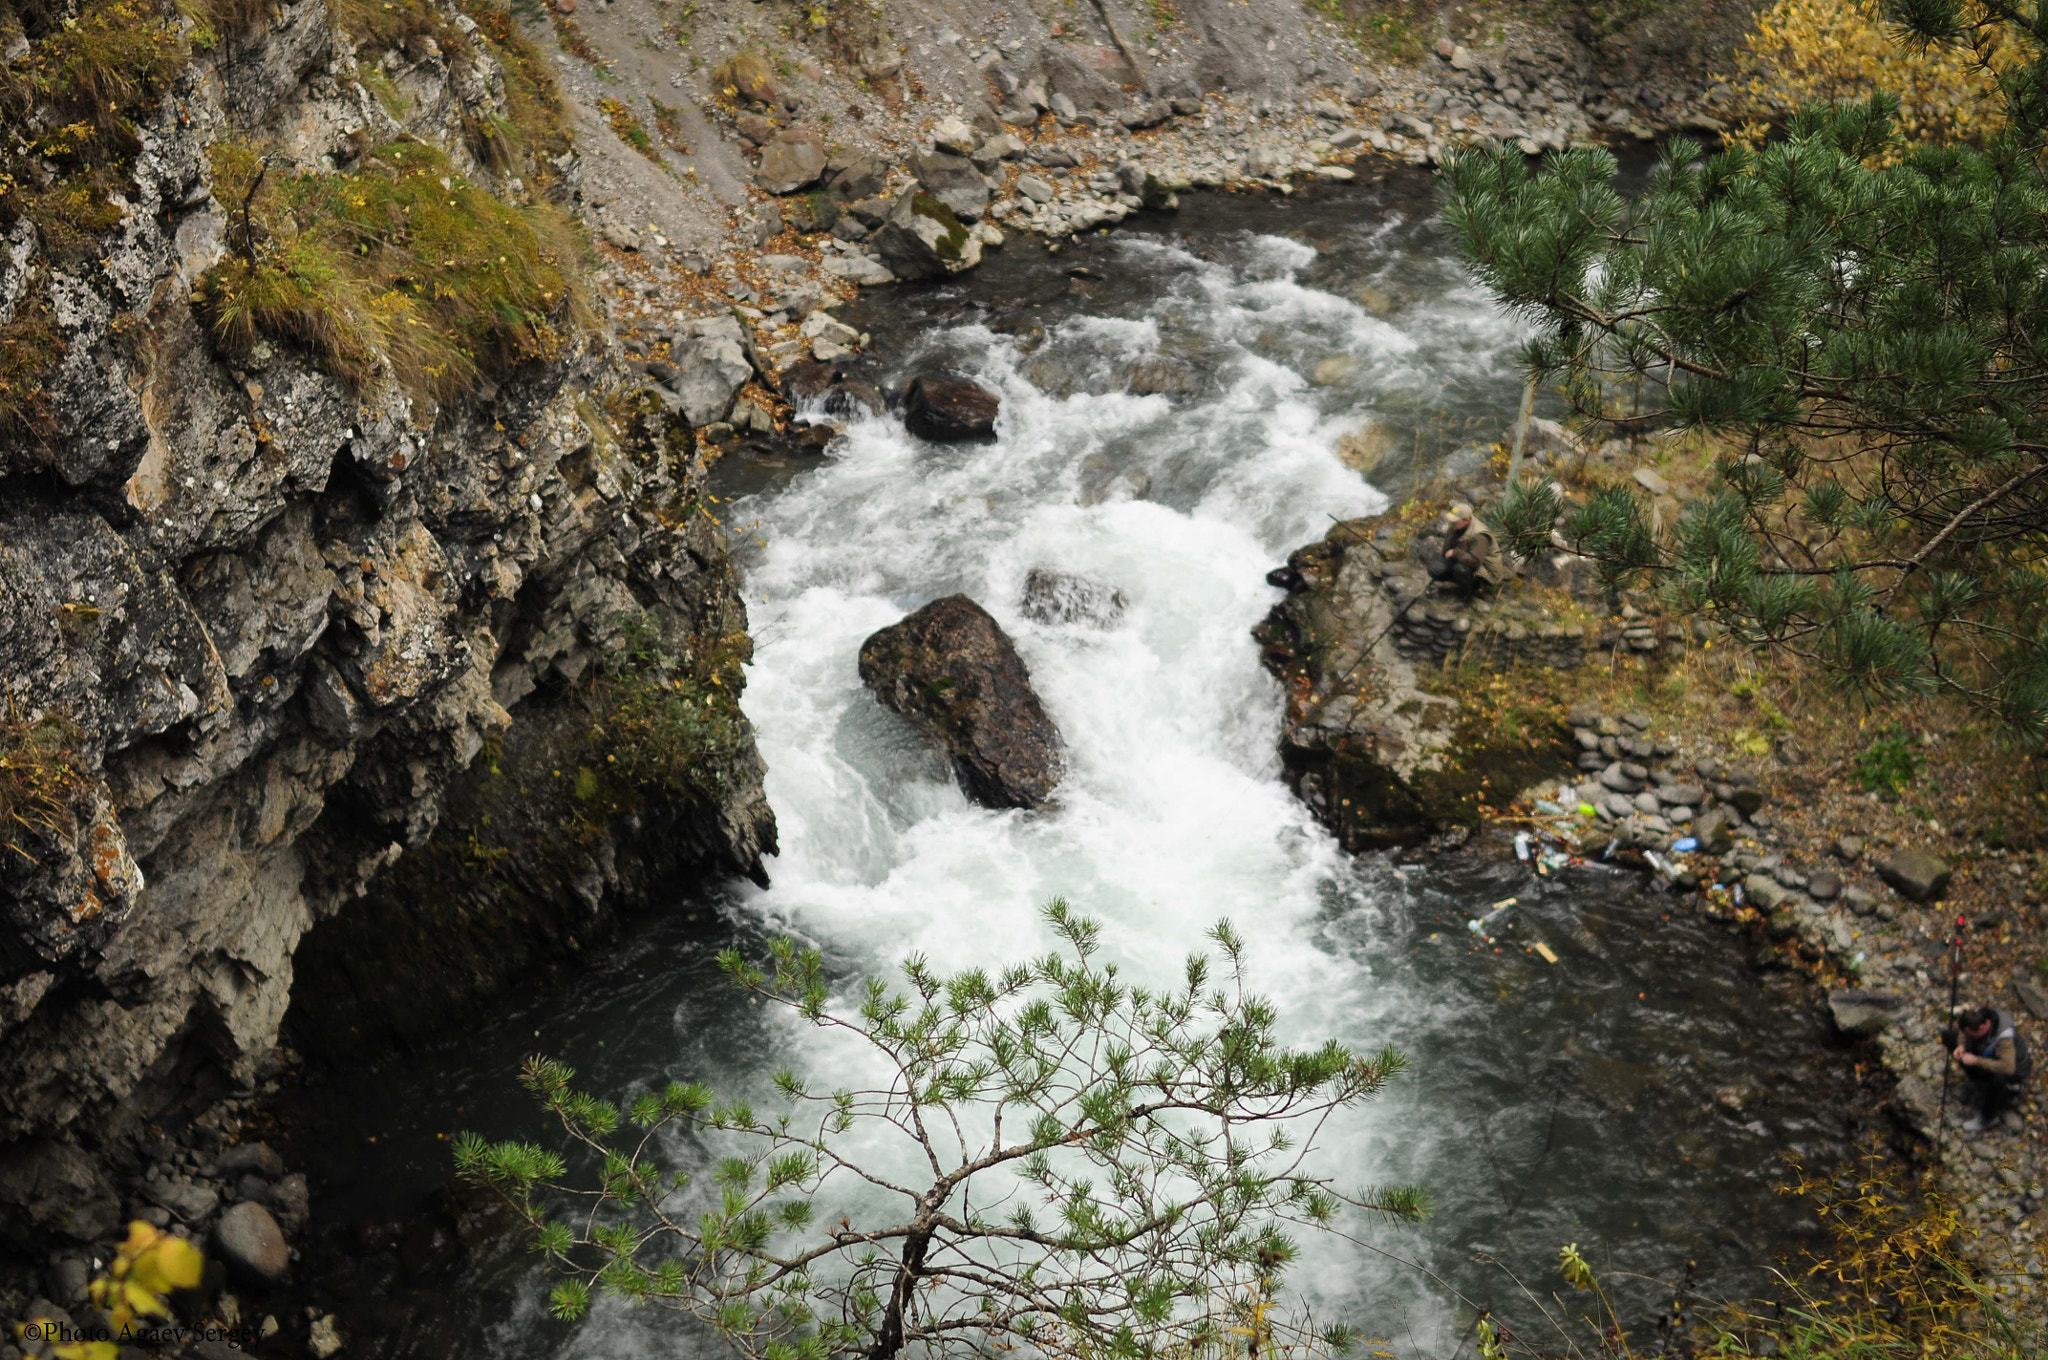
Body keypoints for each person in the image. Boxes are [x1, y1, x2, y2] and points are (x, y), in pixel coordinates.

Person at [1947, 1005, 2032, 1132]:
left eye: (1969, 1034)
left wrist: (1976, 1060)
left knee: (1998, 1078)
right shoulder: (1980, 1015)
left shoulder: (2005, 1038)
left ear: (1981, 1028)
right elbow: (1961, 1032)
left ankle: (1988, 1117)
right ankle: (1979, 1081)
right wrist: (1961, 1045)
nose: (1966, 1035)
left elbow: (2008, 1067)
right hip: (1988, 1053)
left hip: (2014, 1069)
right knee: (1948, 1037)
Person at [1425, 502, 1505, 596]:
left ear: (1466, 520)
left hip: (1485, 571)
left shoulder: (1480, 536)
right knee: (1434, 569)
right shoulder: (1456, 526)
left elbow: (1475, 563)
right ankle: (1454, 582)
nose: (1452, 523)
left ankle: (1465, 594)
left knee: (1460, 569)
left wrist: (1456, 553)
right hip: (1463, 558)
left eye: (1455, 521)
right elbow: (1447, 548)